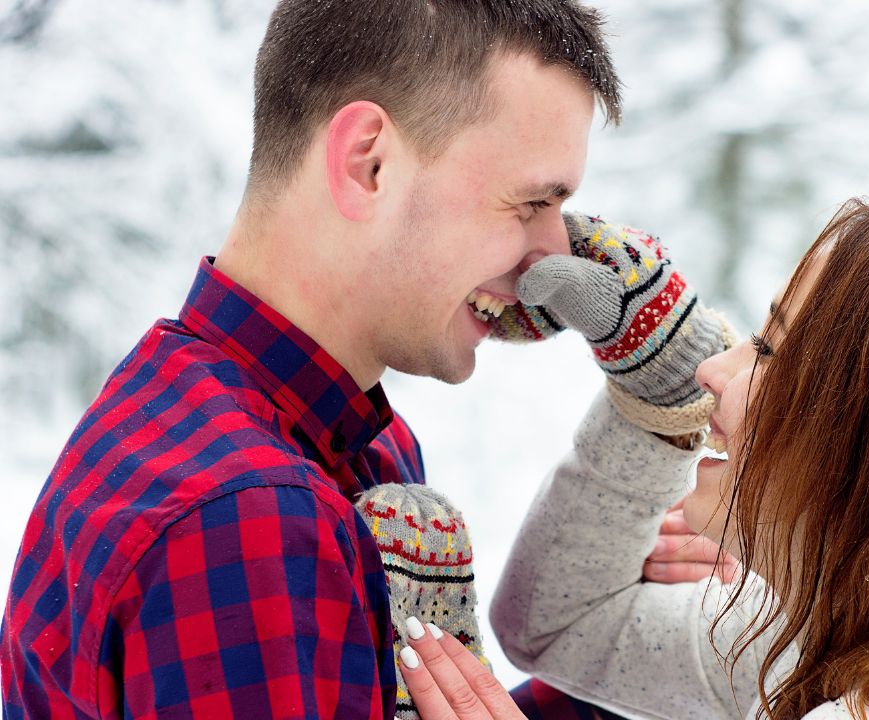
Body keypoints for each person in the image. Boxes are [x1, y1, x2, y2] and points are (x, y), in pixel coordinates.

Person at [0, 2, 627, 716]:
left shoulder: (329, 441)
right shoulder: (247, 524)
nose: (556, 252)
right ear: (369, 163)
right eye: (529, 203)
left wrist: (634, 625)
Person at [390, 200, 869, 719]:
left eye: (770, 349)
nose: (716, 368)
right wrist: (653, 395)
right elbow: (556, 627)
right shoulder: (806, 649)